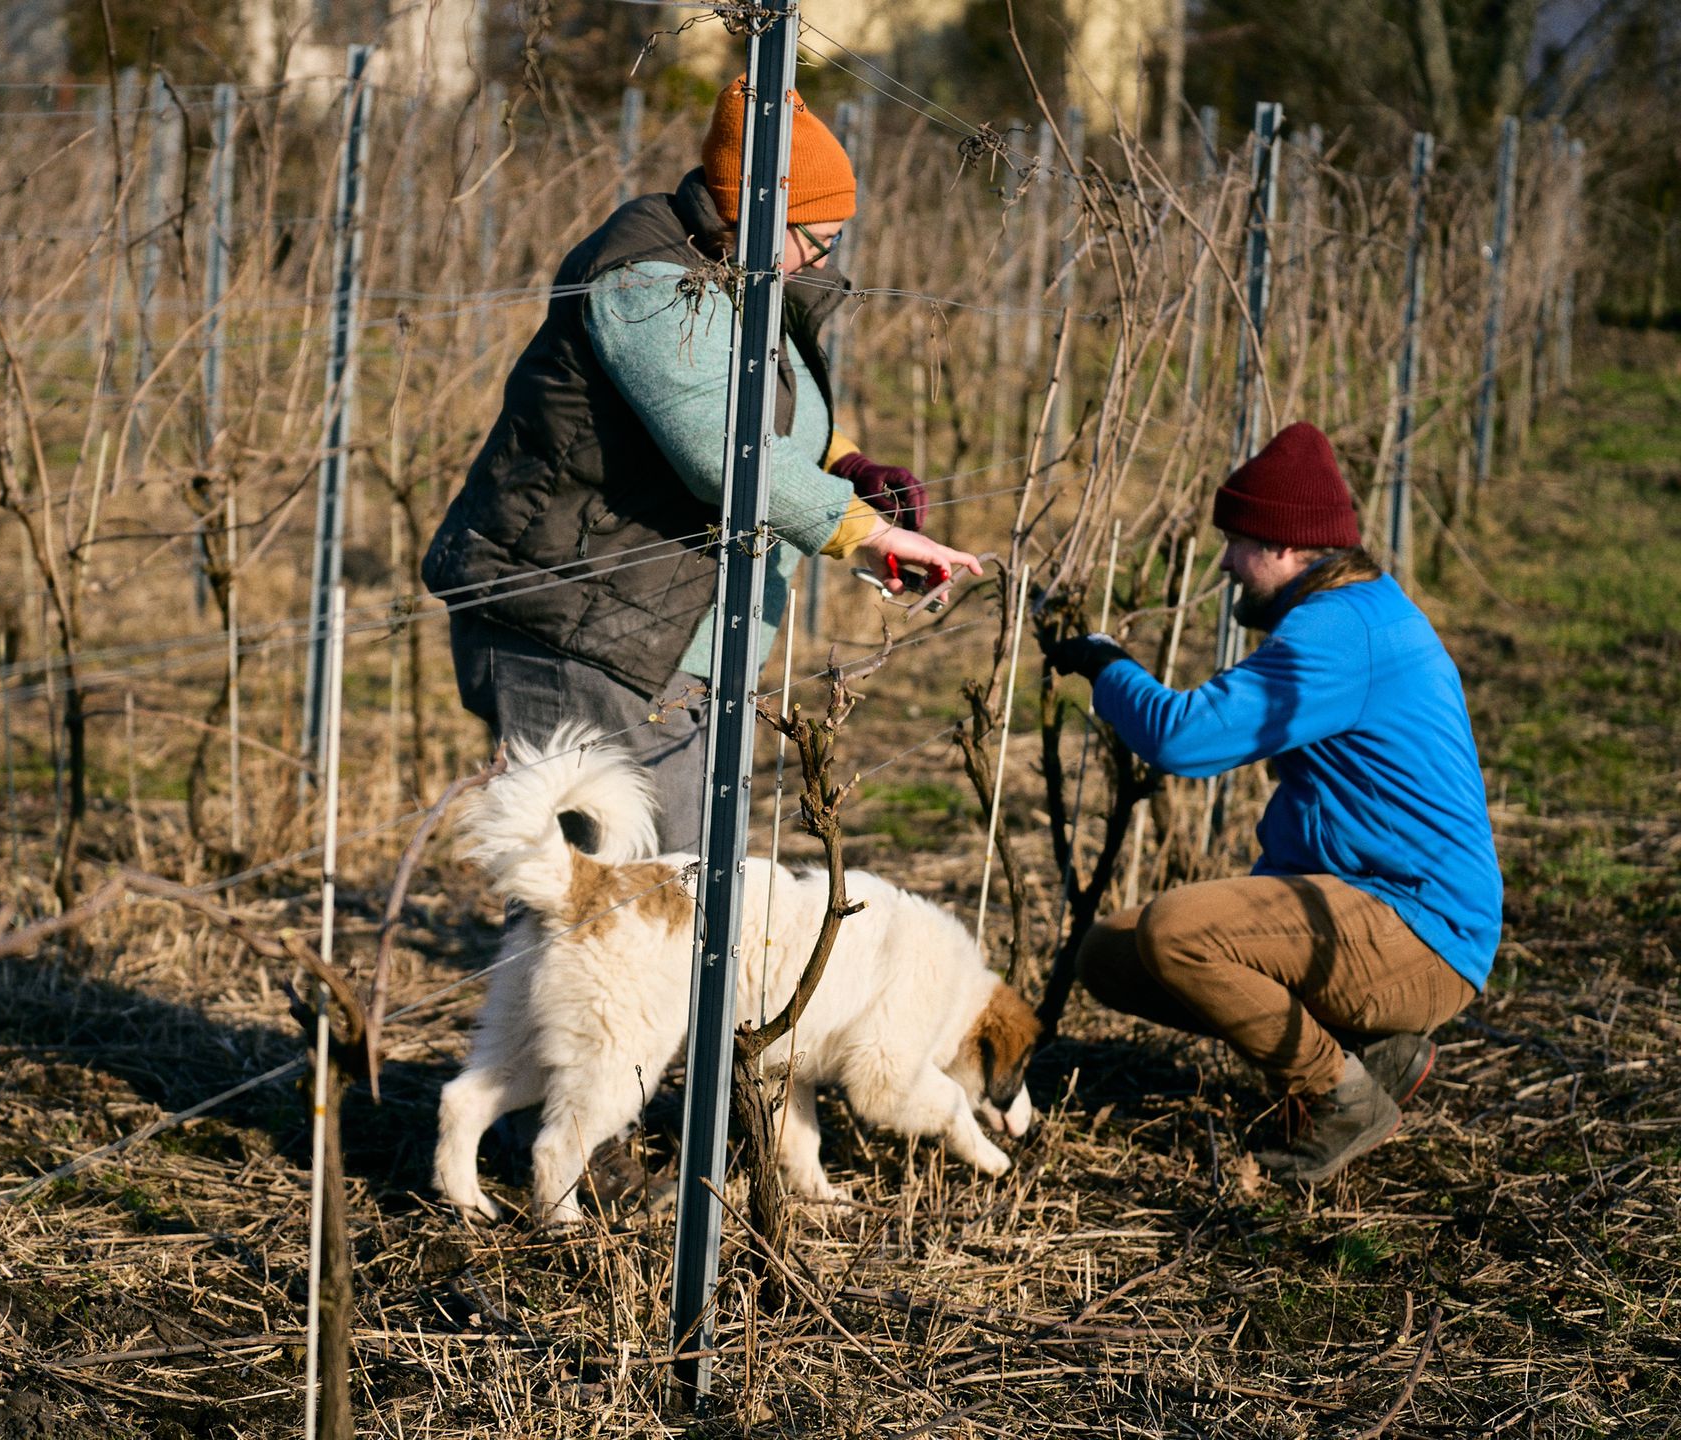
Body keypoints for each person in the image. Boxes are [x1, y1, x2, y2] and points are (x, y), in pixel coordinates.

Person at [423, 78, 979, 853]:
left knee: (661, 902)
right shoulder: (649, 281)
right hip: (579, 632)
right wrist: (865, 533)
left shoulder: (748, 269)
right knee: (605, 909)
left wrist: (844, 461)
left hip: (659, 631)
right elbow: (725, 449)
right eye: (818, 237)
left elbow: (770, 405)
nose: (825, 257)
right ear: (755, 212)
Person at [1046, 422, 1502, 1184]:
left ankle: (1339, 1096)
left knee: (1178, 936)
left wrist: (1104, 664)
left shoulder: (1336, 634)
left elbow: (1183, 740)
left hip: (1423, 930)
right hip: (1375, 907)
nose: (1225, 561)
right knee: (1111, 957)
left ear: (1286, 547)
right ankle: (1374, 1049)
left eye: (1236, 542)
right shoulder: (1354, 613)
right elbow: (1320, 818)